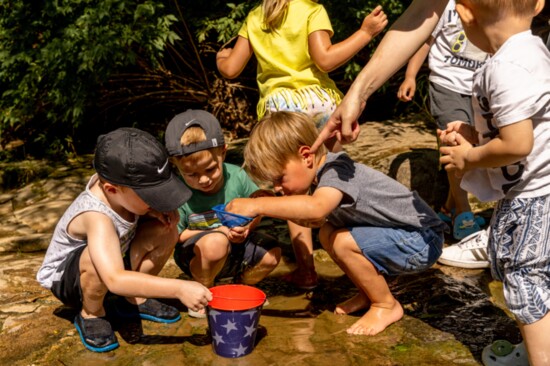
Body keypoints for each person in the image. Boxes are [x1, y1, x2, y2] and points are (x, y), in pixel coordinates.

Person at [224, 111, 446, 336]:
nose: (278, 188)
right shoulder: (319, 177)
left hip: (422, 239)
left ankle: (385, 305)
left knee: (342, 242)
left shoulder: (337, 171)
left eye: (280, 178)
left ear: (306, 156)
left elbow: (316, 208)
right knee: (326, 233)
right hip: (404, 236)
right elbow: (314, 220)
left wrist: (257, 206)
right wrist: (270, 203)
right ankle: (369, 292)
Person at [216, 0, 387, 290]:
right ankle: (360, 261)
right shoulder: (311, 9)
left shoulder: (256, 16)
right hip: (317, 104)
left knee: (293, 191)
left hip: (280, 110)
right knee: (333, 180)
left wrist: (222, 57)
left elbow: (231, 69)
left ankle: (307, 270)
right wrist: (365, 33)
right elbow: (326, 60)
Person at [438, 0, 550, 364]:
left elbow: (517, 144)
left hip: (531, 198)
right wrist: (475, 133)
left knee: (524, 280)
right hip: (536, 190)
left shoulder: (504, 67)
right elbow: (520, 123)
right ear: (537, 4)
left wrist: (468, 157)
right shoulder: (532, 48)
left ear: (465, 12)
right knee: (533, 275)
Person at [36, 128, 212, 353]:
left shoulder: (123, 194)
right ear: (111, 189)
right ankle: (91, 313)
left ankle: (134, 297)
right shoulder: (96, 217)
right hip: (72, 282)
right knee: (94, 259)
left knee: (167, 227)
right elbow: (114, 278)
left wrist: (153, 212)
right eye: (151, 197)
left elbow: (134, 210)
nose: (158, 201)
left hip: (115, 260)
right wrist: (179, 289)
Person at [164, 109, 282, 318]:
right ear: (177, 168)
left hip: (237, 245)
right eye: (191, 174)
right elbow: (177, 236)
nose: (203, 180)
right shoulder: (178, 192)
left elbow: (258, 208)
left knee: (273, 255)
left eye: (210, 169)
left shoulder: (236, 175)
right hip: (198, 252)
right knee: (215, 243)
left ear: (223, 153)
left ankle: (241, 285)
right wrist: (220, 231)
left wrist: (246, 228)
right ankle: (202, 291)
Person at [397, 0, 488, 240]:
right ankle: (465, 216)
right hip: (446, 84)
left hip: (479, 88)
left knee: (472, 148)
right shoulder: (445, 5)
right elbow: (426, 40)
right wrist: (410, 75)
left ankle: (448, 209)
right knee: (454, 141)